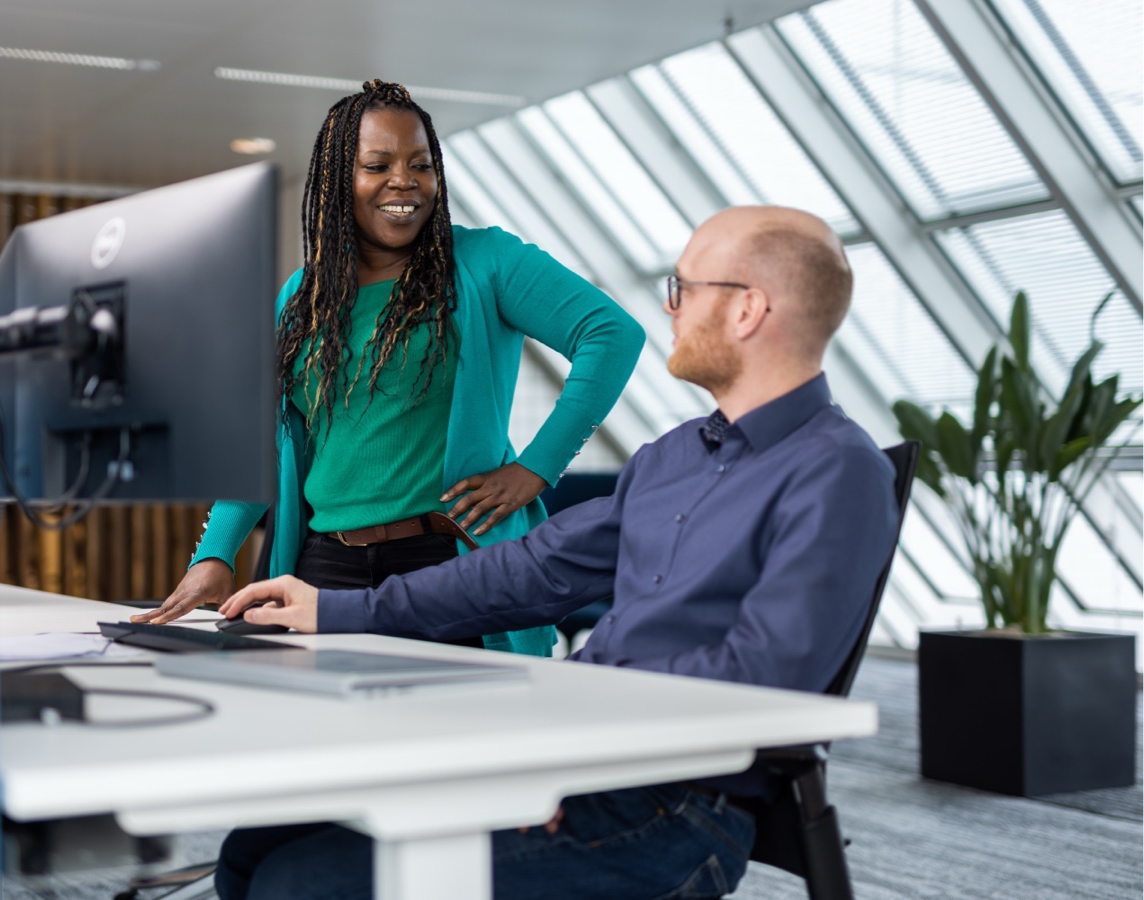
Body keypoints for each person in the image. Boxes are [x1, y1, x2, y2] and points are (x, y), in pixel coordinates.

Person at [212, 205, 902, 900]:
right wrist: (336, 609)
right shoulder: (673, 459)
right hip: (583, 759)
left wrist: (567, 748)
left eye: (684, 288)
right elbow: (532, 570)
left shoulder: (838, 469)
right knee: (255, 849)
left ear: (749, 309)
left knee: (300, 884)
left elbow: (763, 675)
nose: (670, 308)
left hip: (677, 804)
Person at [131, 80, 644, 656]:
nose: (404, 181)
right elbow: (265, 438)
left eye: (420, 165)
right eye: (378, 164)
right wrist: (215, 554)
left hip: (443, 562)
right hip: (322, 566)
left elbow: (611, 334)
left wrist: (537, 468)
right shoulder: (302, 297)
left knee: (460, 736)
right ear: (337, 183)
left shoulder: (486, 262)